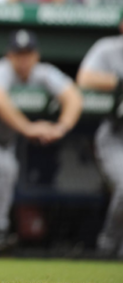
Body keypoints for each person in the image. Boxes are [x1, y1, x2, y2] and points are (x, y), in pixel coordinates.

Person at [0, 30, 82, 254]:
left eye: (28, 54)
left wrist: (61, 127)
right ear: (9, 55)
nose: (23, 59)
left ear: (36, 55)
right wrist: (28, 128)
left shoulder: (43, 73)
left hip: (2, 143)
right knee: (6, 167)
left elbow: (74, 97)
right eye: (18, 54)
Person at [76, 18, 123, 257]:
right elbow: (84, 78)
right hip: (116, 133)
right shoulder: (108, 48)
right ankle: (108, 245)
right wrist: (118, 82)